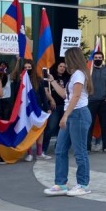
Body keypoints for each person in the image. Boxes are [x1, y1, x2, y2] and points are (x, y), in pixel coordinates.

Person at [44, 47, 93, 197]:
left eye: (66, 59)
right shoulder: (75, 75)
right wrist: (52, 81)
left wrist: (65, 116)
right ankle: (61, 183)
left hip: (78, 115)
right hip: (72, 114)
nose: (65, 62)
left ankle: (82, 184)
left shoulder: (78, 74)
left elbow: (76, 96)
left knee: (79, 151)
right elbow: (66, 95)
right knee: (60, 149)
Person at [87, 50, 106, 153]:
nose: (98, 60)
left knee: (105, 125)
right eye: (96, 58)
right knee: (89, 124)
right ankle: (87, 147)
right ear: (93, 59)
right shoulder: (88, 70)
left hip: (104, 101)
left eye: (100, 58)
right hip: (91, 101)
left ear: (102, 59)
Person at [41, 60, 70, 158]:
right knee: (51, 127)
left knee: (62, 128)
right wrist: (52, 100)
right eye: (60, 66)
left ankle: (58, 147)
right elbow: (45, 91)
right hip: (54, 106)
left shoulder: (68, 78)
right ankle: (43, 149)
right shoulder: (50, 76)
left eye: (64, 67)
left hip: (65, 106)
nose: (62, 68)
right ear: (57, 67)